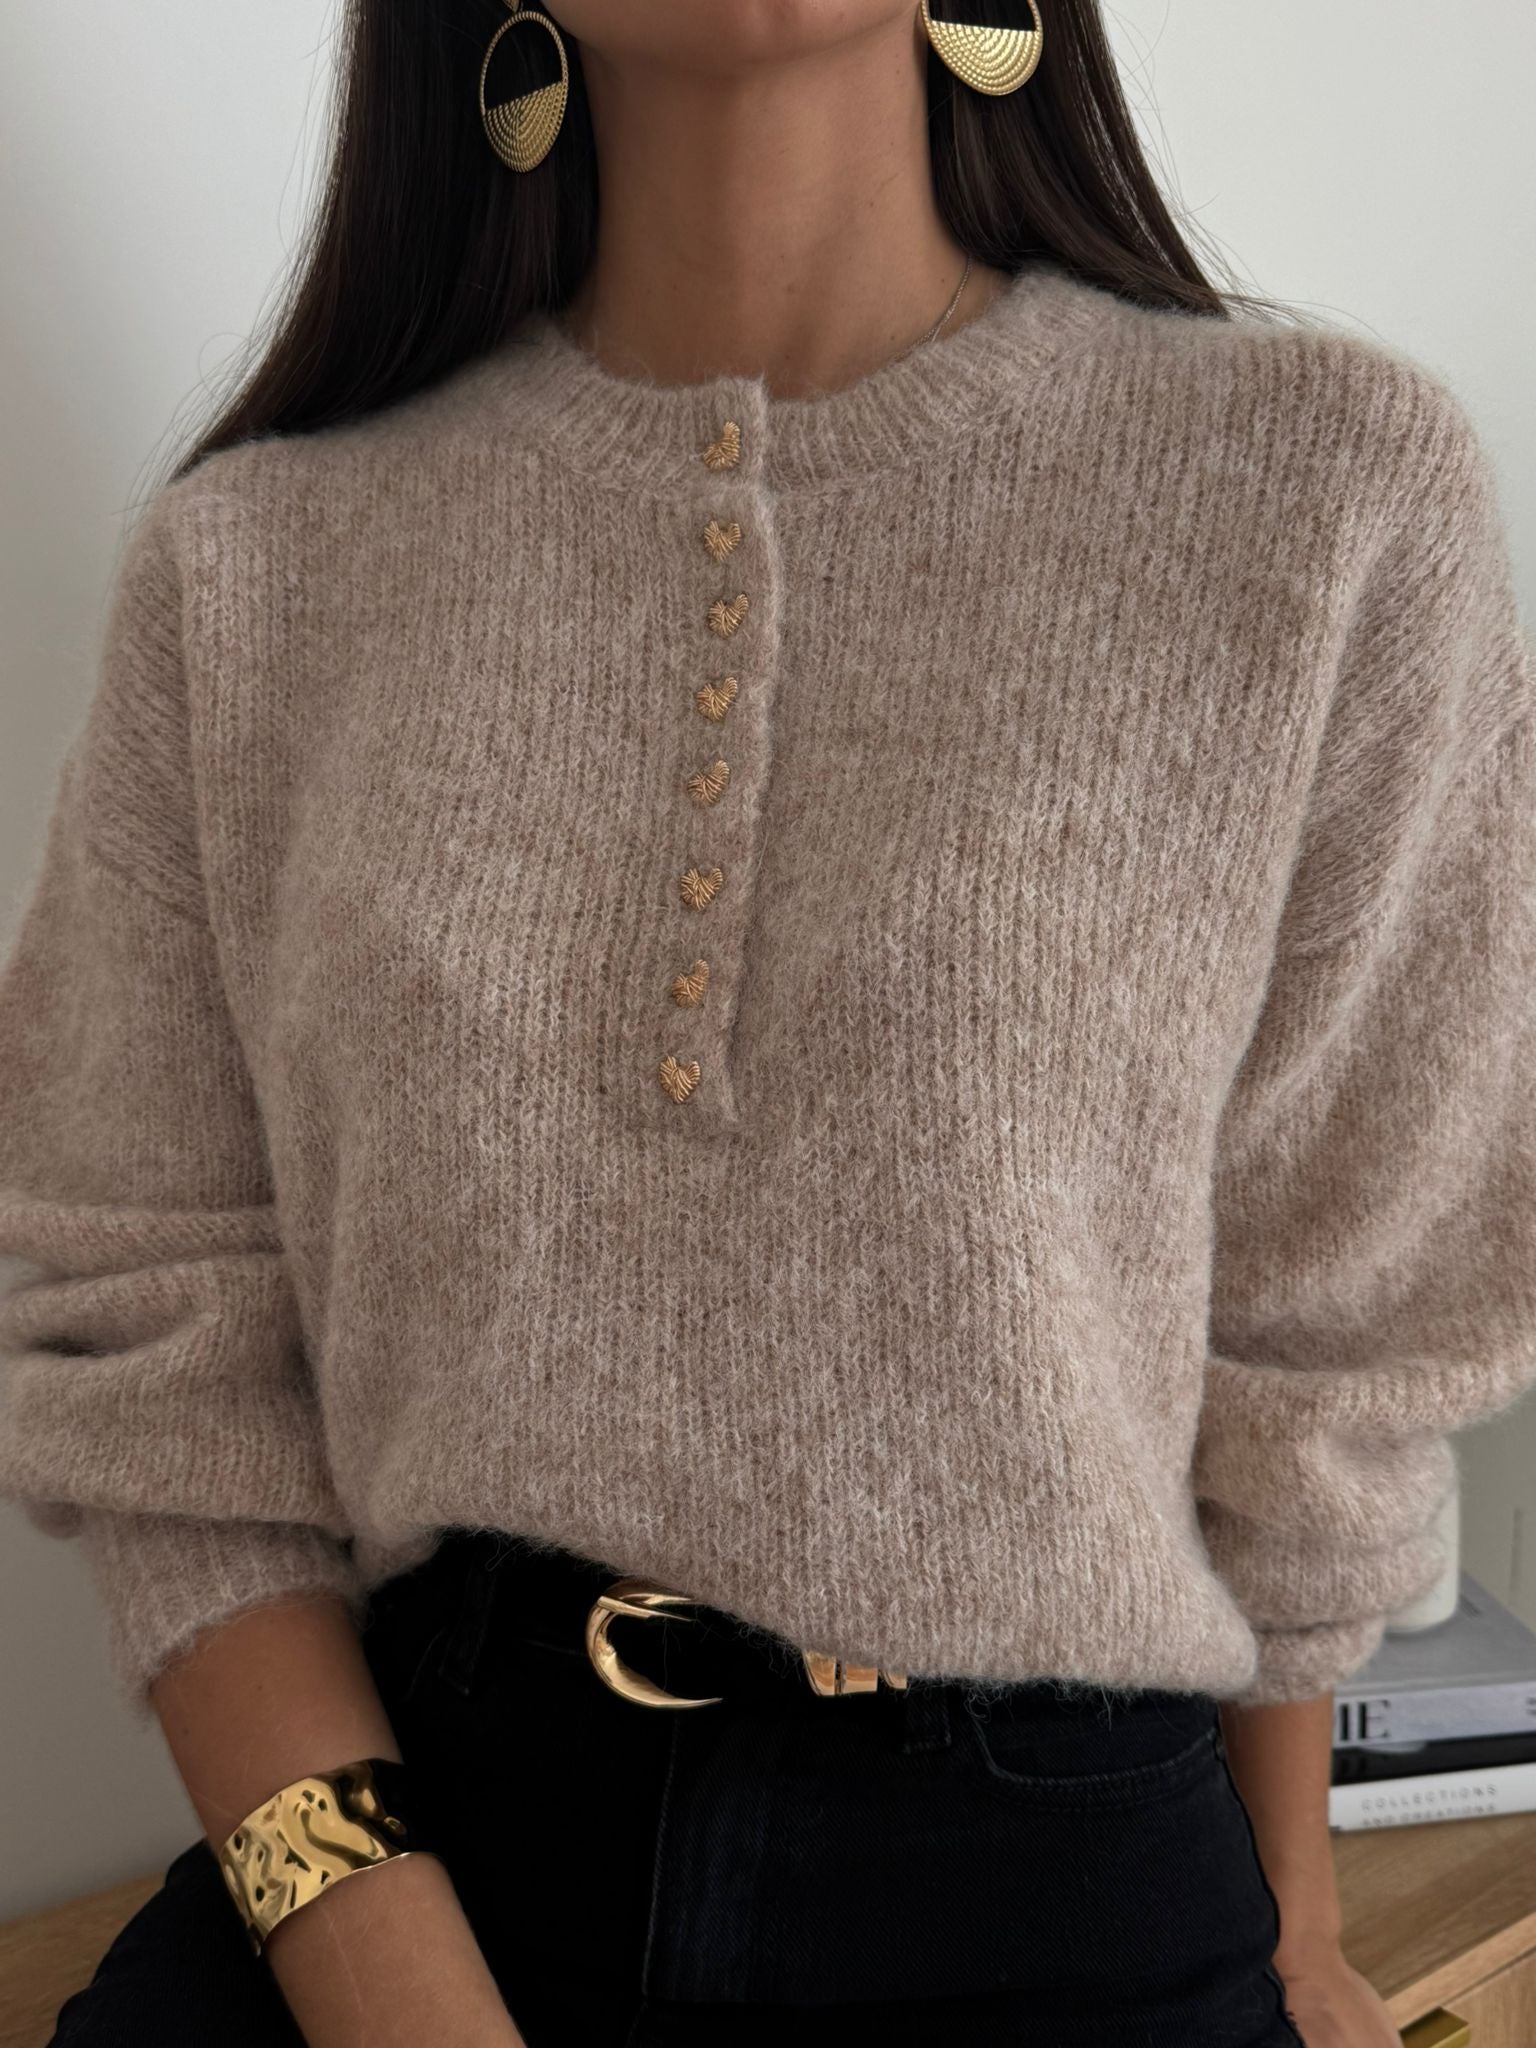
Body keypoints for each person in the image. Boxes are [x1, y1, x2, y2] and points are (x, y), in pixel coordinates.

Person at [2, 2, 1532, 2044]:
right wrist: (382, 1973)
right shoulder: (252, 566)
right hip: (404, 1845)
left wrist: (1289, 1926)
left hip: (1061, 1874)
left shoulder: (1328, 495)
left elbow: (1331, 1328)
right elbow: (153, 1331)